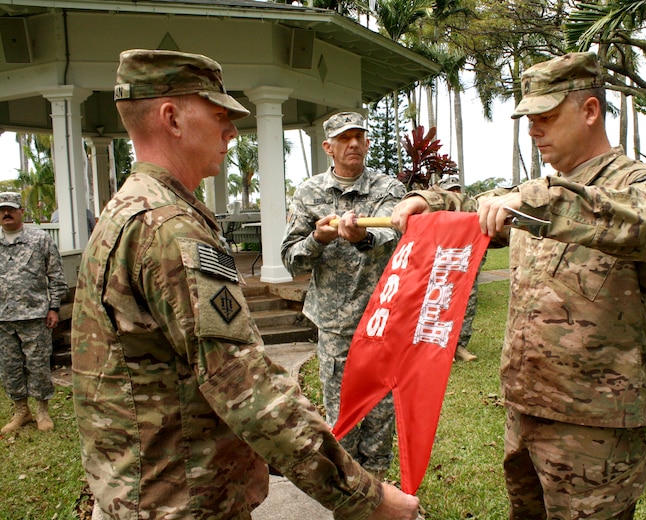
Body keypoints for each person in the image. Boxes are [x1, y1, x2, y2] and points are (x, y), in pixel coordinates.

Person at [70, 49, 419, 519]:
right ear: (171, 118)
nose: (233, 131)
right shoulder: (169, 228)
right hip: (181, 499)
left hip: (151, 485)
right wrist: (365, 497)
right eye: (219, 115)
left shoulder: (136, 208)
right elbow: (244, 387)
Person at [392, 52, 646, 519]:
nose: (533, 130)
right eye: (529, 118)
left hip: (594, 426)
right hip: (526, 412)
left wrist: (539, 202)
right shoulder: (535, 193)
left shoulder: (641, 187)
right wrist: (429, 200)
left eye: (546, 117)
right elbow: (479, 207)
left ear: (590, 110)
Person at [281, 112, 405, 480]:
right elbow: (291, 258)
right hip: (335, 327)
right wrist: (317, 239)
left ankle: (379, 492)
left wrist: (362, 237)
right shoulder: (309, 193)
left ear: (367, 143)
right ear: (328, 147)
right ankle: (350, 493)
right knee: (344, 417)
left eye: (358, 137)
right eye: (343, 138)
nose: (352, 143)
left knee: (382, 417)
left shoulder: (388, 188)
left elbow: (395, 235)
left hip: (382, 321)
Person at [0, 191, 68, 433]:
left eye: (10, 209)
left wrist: (54, 307)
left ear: (21, 212)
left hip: (35, 315)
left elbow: (56, 276)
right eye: (1, 210)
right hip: (3, 318)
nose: (5, 213)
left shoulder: (40, 240)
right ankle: (21, 411)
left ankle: (42, 411)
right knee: (9, 367)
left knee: (38, 364)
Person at [437, 175, 480, 362]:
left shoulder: (471, 213)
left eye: (457, 190)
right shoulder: (436, 215)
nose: (454, 194)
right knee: (441, 302)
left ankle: (459, 346)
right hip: (443, 265)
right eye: (450, 191)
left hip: (467, 263)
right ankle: (443, 346)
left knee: (467, 302)